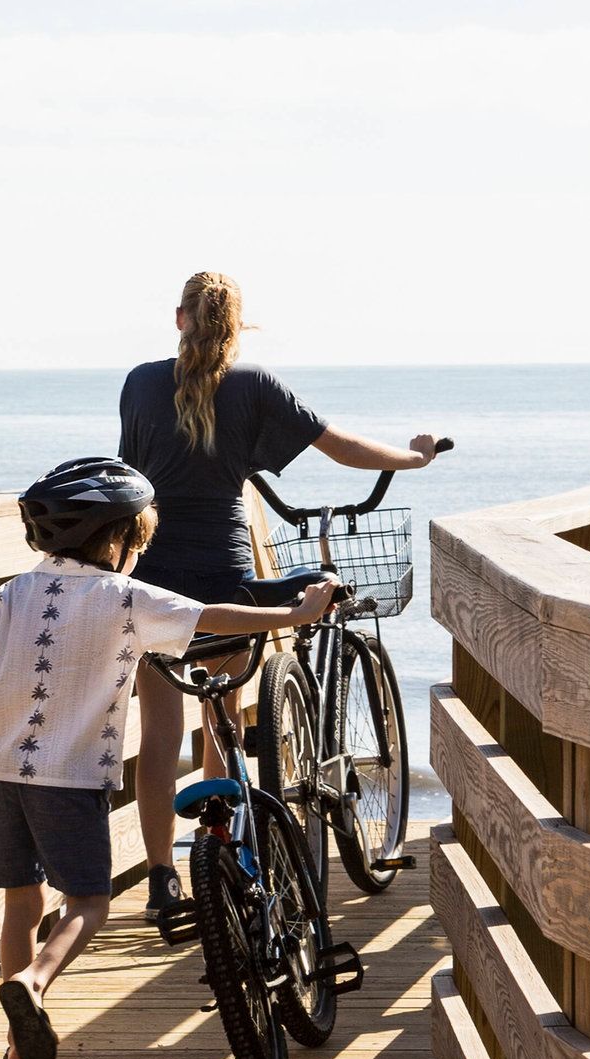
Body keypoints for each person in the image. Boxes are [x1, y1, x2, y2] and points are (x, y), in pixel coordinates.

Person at [0, 455, 336, 1059]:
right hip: (72, 775)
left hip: (5, 769)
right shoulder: (124, 599)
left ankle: (16, 1042)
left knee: (21, 902)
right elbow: (213, 617)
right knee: (88, 902)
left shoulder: (15, 591)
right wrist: (295, 615)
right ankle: (33, 984)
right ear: (115, 541)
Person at [119, 270, 442, 929]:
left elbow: (131, 482)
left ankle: (160, 877)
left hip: (155, 576)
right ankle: (225, 853)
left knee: (158, 732)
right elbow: (340, 446)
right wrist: (414, 461)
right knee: (223, 719)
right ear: (236, 330)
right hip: (222, 574)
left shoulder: (139, 382)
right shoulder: (253, 385)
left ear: (178, 319)